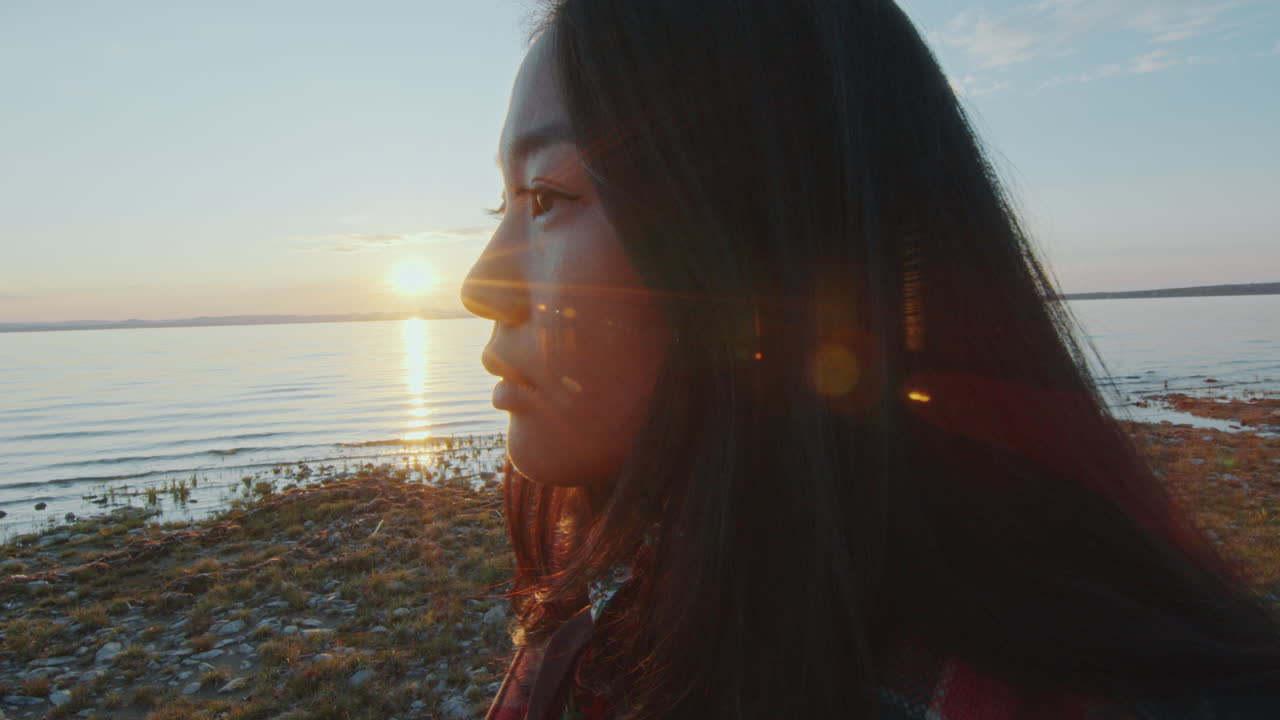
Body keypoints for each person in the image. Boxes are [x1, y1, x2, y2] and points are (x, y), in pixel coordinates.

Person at [460, 1, 1280, 717]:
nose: (478, 285)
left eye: (547, 197)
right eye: (506, 200)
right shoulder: (608, 619)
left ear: (763, 243)